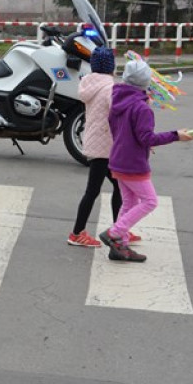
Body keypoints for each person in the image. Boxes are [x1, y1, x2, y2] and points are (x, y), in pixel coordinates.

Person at [98, 59, 193, 262]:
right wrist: (176, 135)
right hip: (133, 163)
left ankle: (120, 246)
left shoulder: (117, 100)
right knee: (150, 201)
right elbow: (147, 138)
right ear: (146, 82)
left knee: (129, 202)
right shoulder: (142, 108)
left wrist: (139, 144)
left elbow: (120, 131)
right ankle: (115, 232)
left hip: (118, 159)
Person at [67, 46, 135, 247]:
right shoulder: (110, 88)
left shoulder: (89, 84)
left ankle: (118, 229)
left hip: (97, 143)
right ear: (111, 66)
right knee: (95, 190)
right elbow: (120, 114)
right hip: (106, 147)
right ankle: (77, 233)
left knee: (116, 187)